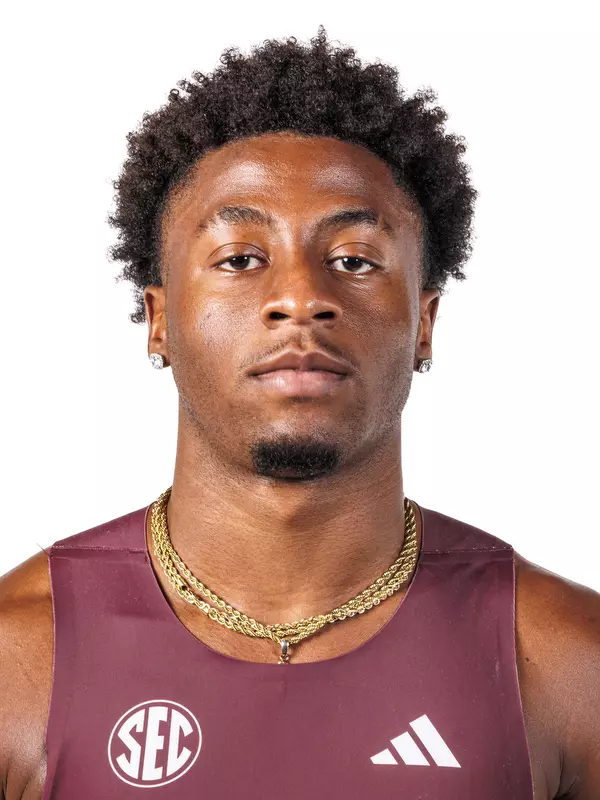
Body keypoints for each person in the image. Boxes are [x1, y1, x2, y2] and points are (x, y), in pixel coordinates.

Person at [0, 27, 598, 800]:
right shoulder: (20, 659)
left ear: (424, 323)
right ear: (159, 320)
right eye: (241, 258)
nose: (300, 298)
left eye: (353, 260)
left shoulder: (566, 663)